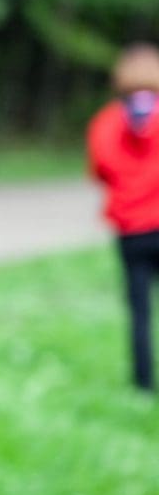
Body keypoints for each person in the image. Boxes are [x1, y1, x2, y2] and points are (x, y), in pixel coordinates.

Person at [87, 43, 159, 392]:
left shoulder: (107, 121)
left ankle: (143, 384)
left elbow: (100, 169)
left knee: (139, 311)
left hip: (131, 231)